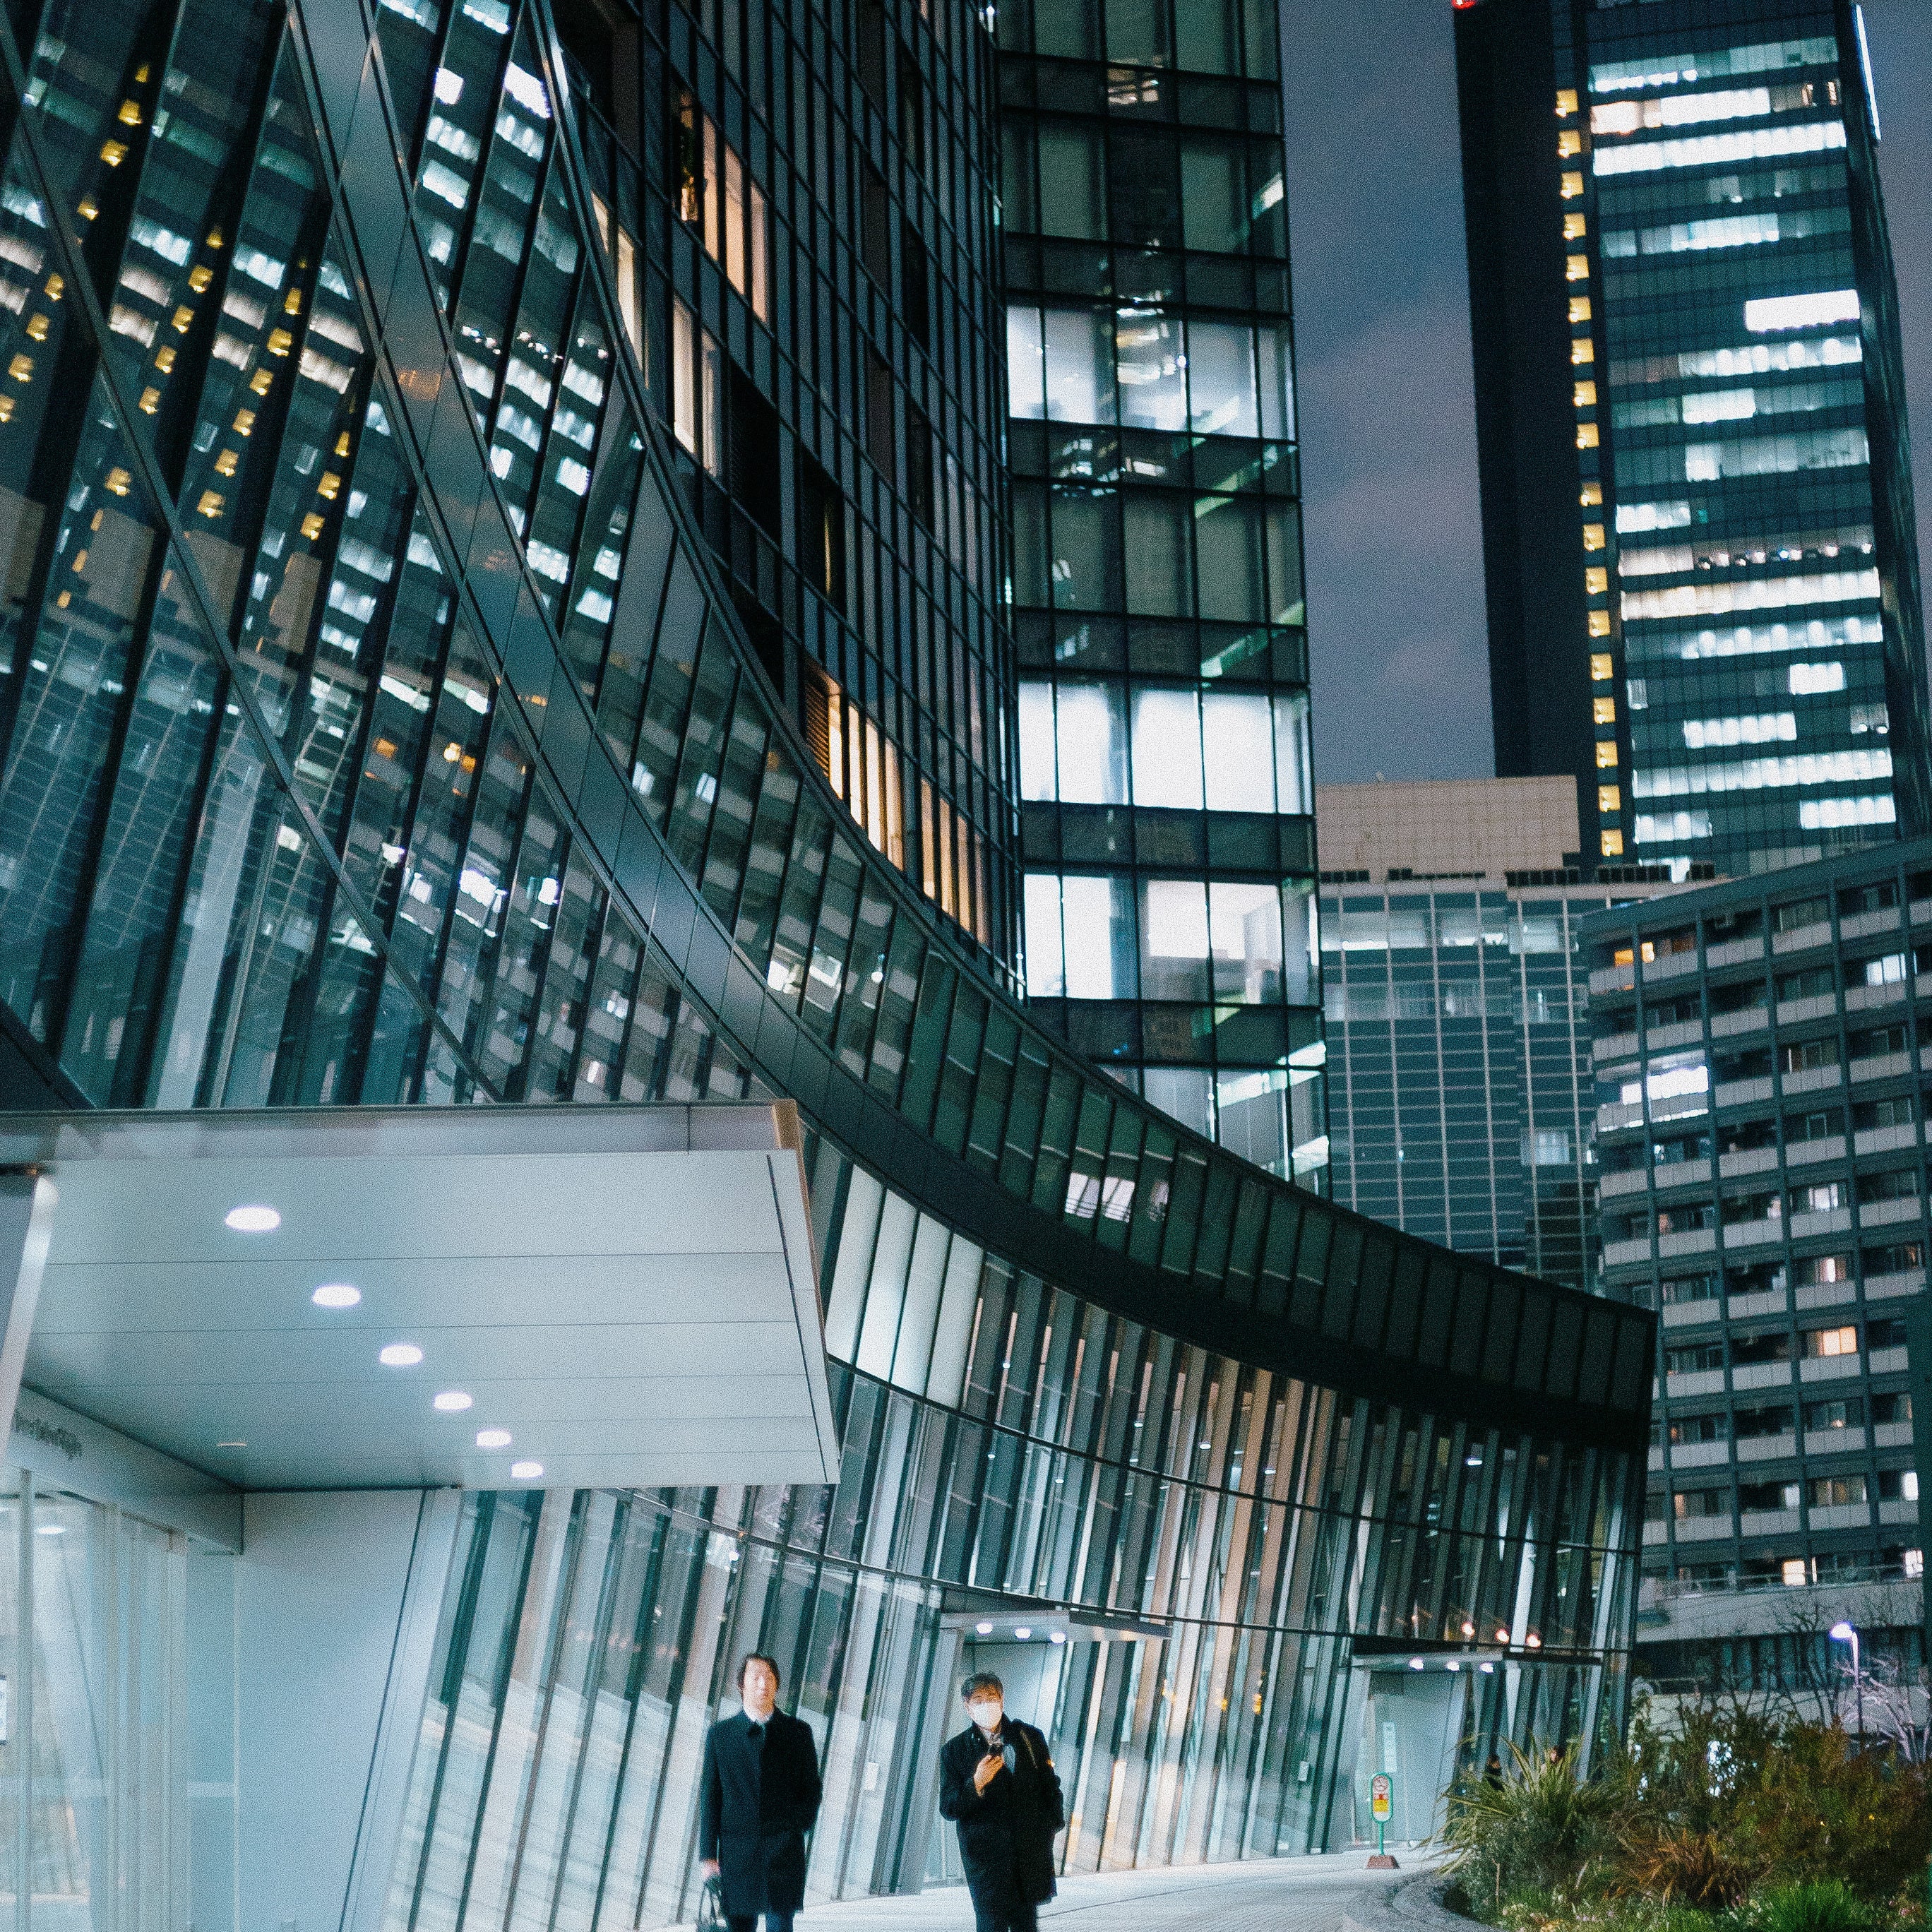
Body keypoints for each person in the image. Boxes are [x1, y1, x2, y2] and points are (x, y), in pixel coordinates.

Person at [698, 1652, 823, 1932]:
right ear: (741, 1684)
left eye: (769, 1678)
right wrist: (708, 1856)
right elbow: (710, 1797)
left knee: (780, 1924)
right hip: (737, 1852)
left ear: (777, 1685)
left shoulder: (798, 1732)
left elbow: (812, 1789)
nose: (763, 1684)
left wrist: (797, 1827)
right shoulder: (721, 1735)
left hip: (783, 1850)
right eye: (756, 1677)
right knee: (739, 1927)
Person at [938, 1671, 1065, 1932]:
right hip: (985, 1858)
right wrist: (977, 1783)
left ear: (1002, 1700)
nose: (986, 1704)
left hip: (1026, 1852)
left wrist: (1049, 1827)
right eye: (979, 1699)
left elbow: (1050, 1786)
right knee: (990, 1923)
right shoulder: (955, 1750)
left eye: (992, 1697)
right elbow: (949, 1807)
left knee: (1025, 1924)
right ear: (967, 1706)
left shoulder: (1029, 1737)